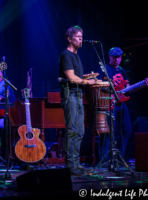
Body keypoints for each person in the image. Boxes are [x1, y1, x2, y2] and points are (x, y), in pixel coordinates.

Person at [97, 47, 148, 160]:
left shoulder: (122, 70)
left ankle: (119, 156)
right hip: (110, 103)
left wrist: (143, 85)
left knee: (127, 129)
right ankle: (104, 159)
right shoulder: (104, 69)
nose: (117, 60)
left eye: (119, 57)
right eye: (115, 57)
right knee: (108, 132)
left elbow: (128, 89)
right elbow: (99, 87)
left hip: (122, 104)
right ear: (110, 57)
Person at [59, 25, 95, 176]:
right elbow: (71, 78)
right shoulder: (65, 55)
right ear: (69, 38)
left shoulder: (77, 56)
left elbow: (77, 76)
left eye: (81, 36)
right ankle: (69, 165)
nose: (81, 39)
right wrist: (87, 82)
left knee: (80, 131)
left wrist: (86, 77)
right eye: (78, 36)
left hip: (79, 96)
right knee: (72, 131)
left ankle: (76, 163)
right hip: (70, 96)